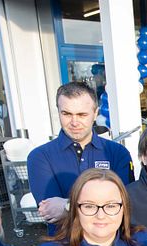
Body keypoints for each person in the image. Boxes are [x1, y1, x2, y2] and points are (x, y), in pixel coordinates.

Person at [27, 81, 133, 235]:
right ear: (58, 112)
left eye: (82, 114)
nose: (74, 122)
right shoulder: (39, 157)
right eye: (67, 114)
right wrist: (102, 206)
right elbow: (51, 212)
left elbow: (121, 205)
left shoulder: (117, 153)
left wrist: (66, 206)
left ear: (95, 113)